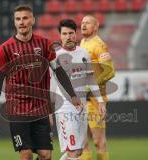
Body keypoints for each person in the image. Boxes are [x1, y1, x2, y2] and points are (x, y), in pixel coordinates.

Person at [0, 5, 81, 160]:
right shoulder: (6, 48)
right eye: (18, 19)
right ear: (14, 22)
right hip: (18, 108)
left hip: (40, 108)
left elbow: (58, 71)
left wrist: (72, 95)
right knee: (26, 154)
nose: (21, 22)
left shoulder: (44, 44)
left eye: (25, 18)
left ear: (33, 20)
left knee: (45, 155)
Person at [54, 19, 106, 160]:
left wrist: (100, 101)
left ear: (76, 34)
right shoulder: (55, 56)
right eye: (64, 33)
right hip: (64, 108)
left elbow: (91, 79)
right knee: (72, 151)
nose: (68, 36)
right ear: (60, 35)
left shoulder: (83, 53)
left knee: (78, 151)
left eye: (71, 33)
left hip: (82, 107)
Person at [79, 15, 115, 160]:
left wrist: (91, 87)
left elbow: (110, 71)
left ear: (96, 27)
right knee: (83, 142)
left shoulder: (99, 45)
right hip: (82, 99)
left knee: (98, 141)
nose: (83, 25)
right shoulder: (82, 42)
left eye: (87, 23)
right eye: (82, 23)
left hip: (95, 99)